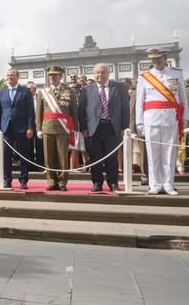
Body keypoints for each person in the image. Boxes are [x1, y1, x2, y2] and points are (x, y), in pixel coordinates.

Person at [135, 48, 189, 195]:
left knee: (169, 153)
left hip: (171, 119)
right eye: (153, 60)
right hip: (151, 119)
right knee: (153, 154)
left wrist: (184, 118)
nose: (156, 62)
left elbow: (183, 99)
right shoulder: (145, 77)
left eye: (158, 59)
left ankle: (168, 184)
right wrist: (139, 123)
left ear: (165, 58)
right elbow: (139, 102)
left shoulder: (176, 74)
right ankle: (155, 184)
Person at [79, 63, 129, 192]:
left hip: (112, 128)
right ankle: (97, 182)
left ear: (108, 73)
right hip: (94, 128)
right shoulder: (86, 89)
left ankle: (113, 183)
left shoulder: (119, 87)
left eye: (103, 72)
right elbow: (81, 110)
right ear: (94, 74)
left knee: (112, 157)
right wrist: (83, 128)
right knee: (95, 157)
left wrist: (125, 126)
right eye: (97, 73)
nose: (100, 75)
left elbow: (125, 108)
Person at [36, 66, 78, 191]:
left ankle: (62, 182)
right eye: (50, 75)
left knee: (63, 157)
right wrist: (38, 128)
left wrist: (74, 128)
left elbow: (73, 111)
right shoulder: (42, 92)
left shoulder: (69, 91)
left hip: (63, 128)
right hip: (47, 127)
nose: (52, 77)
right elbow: (39, 112)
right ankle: (51, 181)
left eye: (55, 75)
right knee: (49, 157)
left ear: (61, 76)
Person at [0, 68, 35, 189]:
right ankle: (7, 179)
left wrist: (30, 127)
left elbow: (30, 112)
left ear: (17, 77)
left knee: (23, 155)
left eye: (12, 75)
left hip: (22, 128)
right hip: (6, 128)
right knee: (6, 155)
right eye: (8, 75)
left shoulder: (25, 91)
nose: (9, 77)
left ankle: (23, 180)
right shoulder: (1, 92)